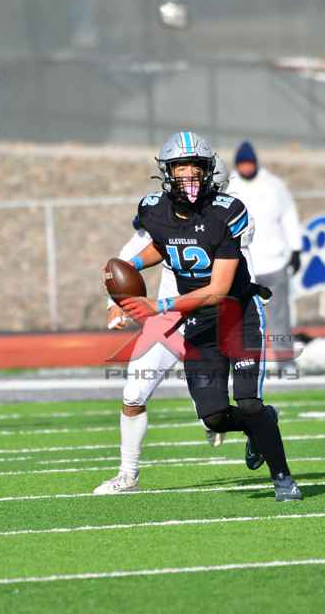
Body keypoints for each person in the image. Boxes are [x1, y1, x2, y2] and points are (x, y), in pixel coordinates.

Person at [119, 131, 301, 502]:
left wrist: (160, 306)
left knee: (248, 402)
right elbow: (165, 244)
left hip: (237, 314)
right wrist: (132, 264)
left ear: (208, 171)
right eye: (180, 168)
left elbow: (218, 289)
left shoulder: (225, 212)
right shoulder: (153, 209)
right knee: (214, 416)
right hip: (198, 322)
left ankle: (282, 477)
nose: (188, 175)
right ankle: (261, 425)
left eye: (195, 168)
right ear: (167, 172)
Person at [94, 156, 259, 495]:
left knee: (220, 412)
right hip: (169, 319)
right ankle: (128, 474)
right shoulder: (165, 215)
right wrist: (115, 302)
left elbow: (238, 273)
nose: (195, 193)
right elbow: (128, 259)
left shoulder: (227, 218)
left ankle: (257, 425)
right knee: (133, 393)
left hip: (213, 318)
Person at [228, 141, 302, 372]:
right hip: (243, 266)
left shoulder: (273, 185)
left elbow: (289, 216)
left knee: (279, 316)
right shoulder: (230, 187)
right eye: (242, 164)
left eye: (249, 163)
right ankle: (243, 362)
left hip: (274, 262)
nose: (246, 167)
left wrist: (296, 249)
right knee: (240, 318)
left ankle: (285, 361)